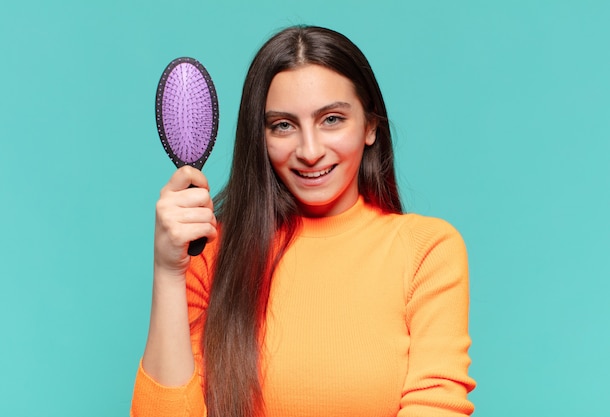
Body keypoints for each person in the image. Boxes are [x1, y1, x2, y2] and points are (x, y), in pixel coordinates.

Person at [131, 25, 476, 417]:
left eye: (331, 119)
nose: (309, 151)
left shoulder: (425, 251)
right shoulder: (211, 254)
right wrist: (167, 271)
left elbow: (436, 405)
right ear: (260, 137)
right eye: (283, 125)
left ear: (370, 127)